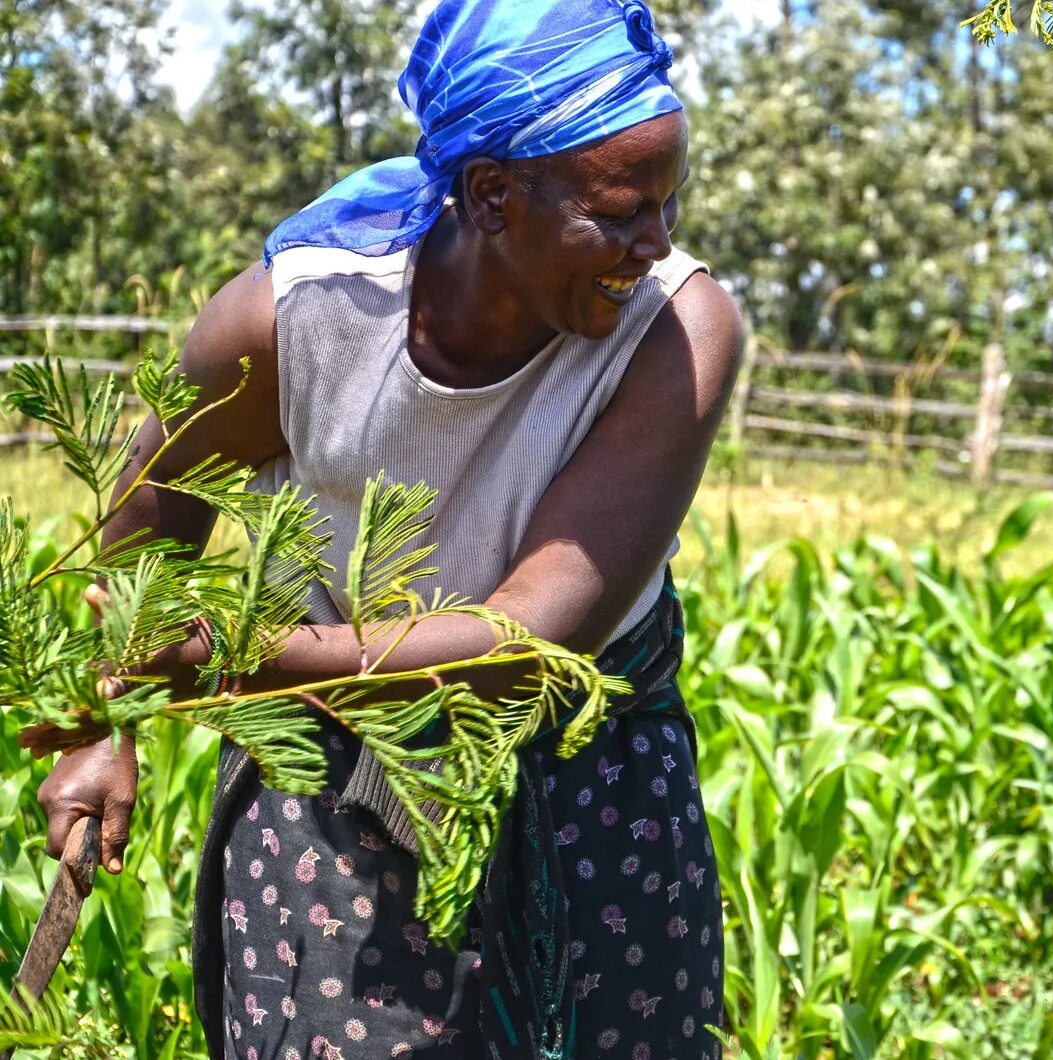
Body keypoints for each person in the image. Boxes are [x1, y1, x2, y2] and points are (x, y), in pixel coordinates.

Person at [34, 1, 741, 1057]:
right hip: (331, 772)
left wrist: (239, 655)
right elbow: (146, 520)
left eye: (667, 205)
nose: (656, 243)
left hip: (587, 778)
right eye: (622, 211)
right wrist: (103, 722)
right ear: (492, 194)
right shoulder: (296, 323)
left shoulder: (676, 330)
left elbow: (532, 645)